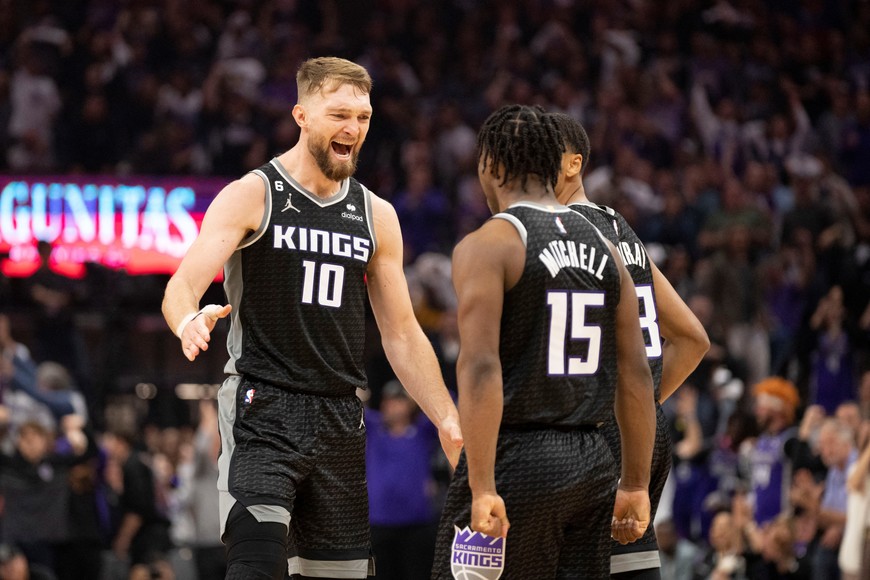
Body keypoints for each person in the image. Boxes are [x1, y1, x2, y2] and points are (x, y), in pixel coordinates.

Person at [161, 56, 462, 580]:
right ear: (301, 115)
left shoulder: (377, 214)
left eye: (364, 118)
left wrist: (446, 416)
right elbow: (182, 284)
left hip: (339, 417)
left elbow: (402, 332)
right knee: (255, 561)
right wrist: (188, 319)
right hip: (263, 406)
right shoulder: (253, 193)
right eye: (340, 114)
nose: (354, 129)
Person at [431, 104, 656, 579]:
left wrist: (483, 484)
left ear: (491, 165)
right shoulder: (607, 247)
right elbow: (635, 372)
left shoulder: (489, 244)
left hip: (518, 458)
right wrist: (636, 482)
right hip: (594, 462)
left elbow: (479, 369)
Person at [550, 111, 710, 578]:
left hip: (589, 437)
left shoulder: (563, 232)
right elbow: (692, 338)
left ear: (573, 164)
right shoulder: (620, 227)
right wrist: (642, 405)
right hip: (641, 433)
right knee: (632, 564)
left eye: (539, 157)